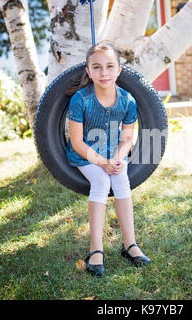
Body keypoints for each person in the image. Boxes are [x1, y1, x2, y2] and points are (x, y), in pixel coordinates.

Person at [65, 42, 152, 277]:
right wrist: (101, 163)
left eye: (110, 66)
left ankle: (130, 245)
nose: (104, 73)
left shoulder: (128, 101)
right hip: (85, 157)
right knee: (102, 182)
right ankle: (96, 250)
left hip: (112, 155)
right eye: (97, 67)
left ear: (119, 70)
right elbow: (77, 143)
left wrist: (116, 158)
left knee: (121, 179)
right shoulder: (80, 100)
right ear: (88, 71)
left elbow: (127, 139)